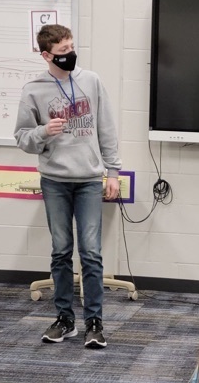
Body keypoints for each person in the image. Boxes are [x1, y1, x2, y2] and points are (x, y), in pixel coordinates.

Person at [14, 24, 121, 349]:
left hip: (88, 179)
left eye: (72, 48)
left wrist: (113, 172)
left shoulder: (91, 81)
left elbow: (106, 128)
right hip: (55, 181)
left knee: (91, 253)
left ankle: (94, 322)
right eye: (63, 52)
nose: (70, 55)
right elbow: (22, 138)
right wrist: (44, 131)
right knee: (61, 252)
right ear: (47, 55)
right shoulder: (33, 90)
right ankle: (65, 320)